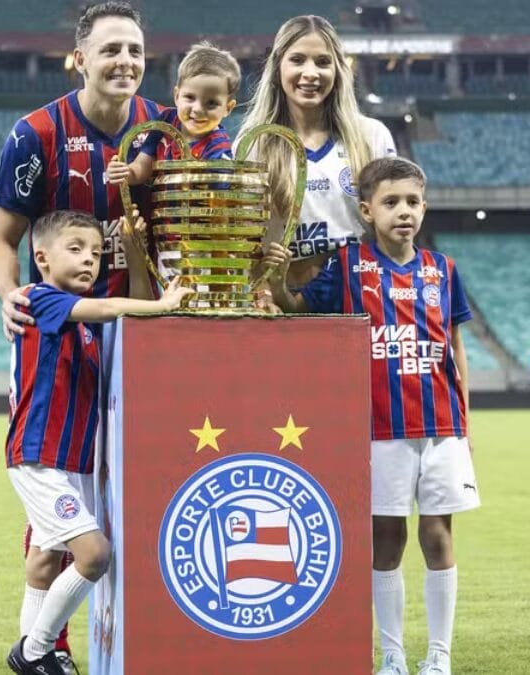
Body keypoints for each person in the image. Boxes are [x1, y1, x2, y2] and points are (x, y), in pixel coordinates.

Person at [0, 3, 163, 670]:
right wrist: (12, 295)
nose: (124, 61)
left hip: (139, 322)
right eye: (111, 48)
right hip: (67, 323)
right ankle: (43, 646)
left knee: (105, 485)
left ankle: (57, 643)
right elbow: (1, 241)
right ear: (80, 58)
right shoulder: (37, 133)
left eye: (135, 50)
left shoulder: (161, 130)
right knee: (64, 492)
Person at [262, 157, 479, 675]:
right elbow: (295, 306)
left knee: (438, 534)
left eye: (412, 202)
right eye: (390, 202)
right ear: (366, 209)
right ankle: (393, 656)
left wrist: (468, 426)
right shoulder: (348, 264)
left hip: (442, 424)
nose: (403, 212)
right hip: (380, 427)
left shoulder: (442, 270)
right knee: (387, 538)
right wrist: (272, 273)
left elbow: (456, 350)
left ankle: (440, 657)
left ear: (424, 208)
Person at [4, 210, 191, 675]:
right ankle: (34, 651)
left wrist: (132, 258)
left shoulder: (81, 323)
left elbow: (116, 313)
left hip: (73, 461)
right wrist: (167, 304)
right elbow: (112, 307)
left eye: (95, 252)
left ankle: (37, 656)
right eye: (76, 249)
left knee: (46, 559)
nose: (89, 260)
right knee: (95, 554)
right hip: (40, 455)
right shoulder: (38, 298)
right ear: (40, 257)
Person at [236, 14, 397, 293]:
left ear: (338, 71)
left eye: (323, 62)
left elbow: (394, 227)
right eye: (297, 60)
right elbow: (245, 241)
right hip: (283, 299)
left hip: (363, 295)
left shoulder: (372, 137)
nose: (311, 73)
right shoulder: (253, 144)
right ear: (277, 68)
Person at [107, 40, 239, 186]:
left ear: (228, 108)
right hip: (158, 209)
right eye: (190, 97)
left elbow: (218, 200)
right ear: (176, 96)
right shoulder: (165, 121)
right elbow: (142, 167)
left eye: (211, 103)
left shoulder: (219, 150)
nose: (198, 109)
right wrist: (126, 173)